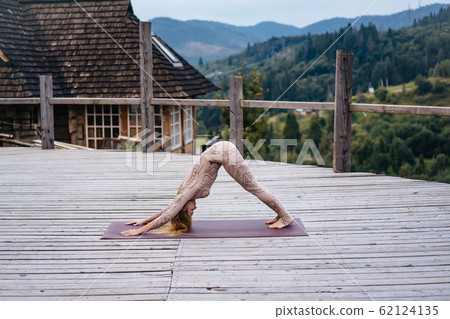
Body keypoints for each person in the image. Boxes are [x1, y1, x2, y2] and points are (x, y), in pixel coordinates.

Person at [121, 141, 294, 236]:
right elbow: (168, 208)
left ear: (182, 209)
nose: (194, 210)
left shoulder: (189, 191)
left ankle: (285, 217)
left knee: (254, 187)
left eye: (189, 212)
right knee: (254, 187)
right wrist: (144, 220)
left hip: (223, 153)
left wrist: (140, 231)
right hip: (220, 151)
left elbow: (168, 215)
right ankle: (280, 213)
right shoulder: (184, 193)